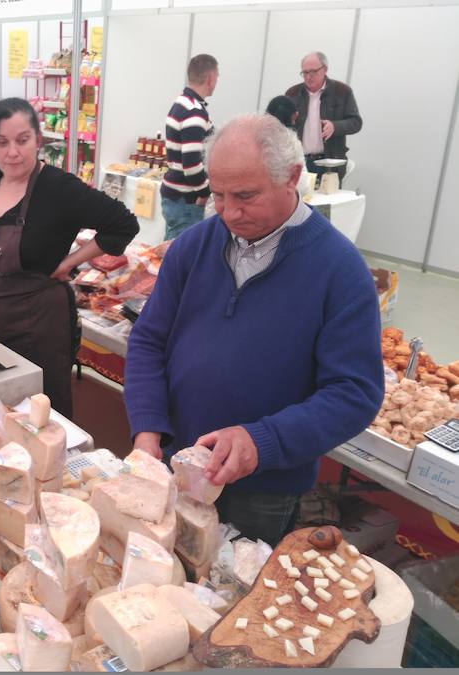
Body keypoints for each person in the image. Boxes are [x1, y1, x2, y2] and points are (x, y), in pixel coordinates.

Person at [123, 114, 383, 546]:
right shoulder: (192, 247)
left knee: (232, 593)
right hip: (171, 459)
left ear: (293, 178)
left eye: (245, 195)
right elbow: (150, 339)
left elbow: (354, 393)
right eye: (218, 195)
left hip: (263, 488)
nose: (229, 211)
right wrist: (147, 427)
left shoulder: (340, 270)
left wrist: (261, 441)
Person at [0, 98, 139, 417]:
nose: (12, 152)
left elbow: (123, 224)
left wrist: (69, 262)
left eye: (22, 140)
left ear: (39, 140)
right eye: (2, 142)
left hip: (38, 327)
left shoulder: (58, 188)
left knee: (43, 417)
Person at [160, 53, 219, 241]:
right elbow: (192, 164)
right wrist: (204, 192)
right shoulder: (194, 111)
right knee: (180, 255)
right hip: (186, 199)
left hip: (176, 196)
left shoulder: (182, 103)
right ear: (210, 78)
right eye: (217, 77)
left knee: (172, 249)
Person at [286, 51, 362, 181]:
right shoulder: (292, 93)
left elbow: (356, 122)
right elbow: (282, 125)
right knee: (299, 200)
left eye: (313, 72)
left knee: (326, 201)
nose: (308, 77)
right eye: (304, 73)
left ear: (325, 69)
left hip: (330, 163)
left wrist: (335, 126)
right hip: (300, 163)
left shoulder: (342, 91)